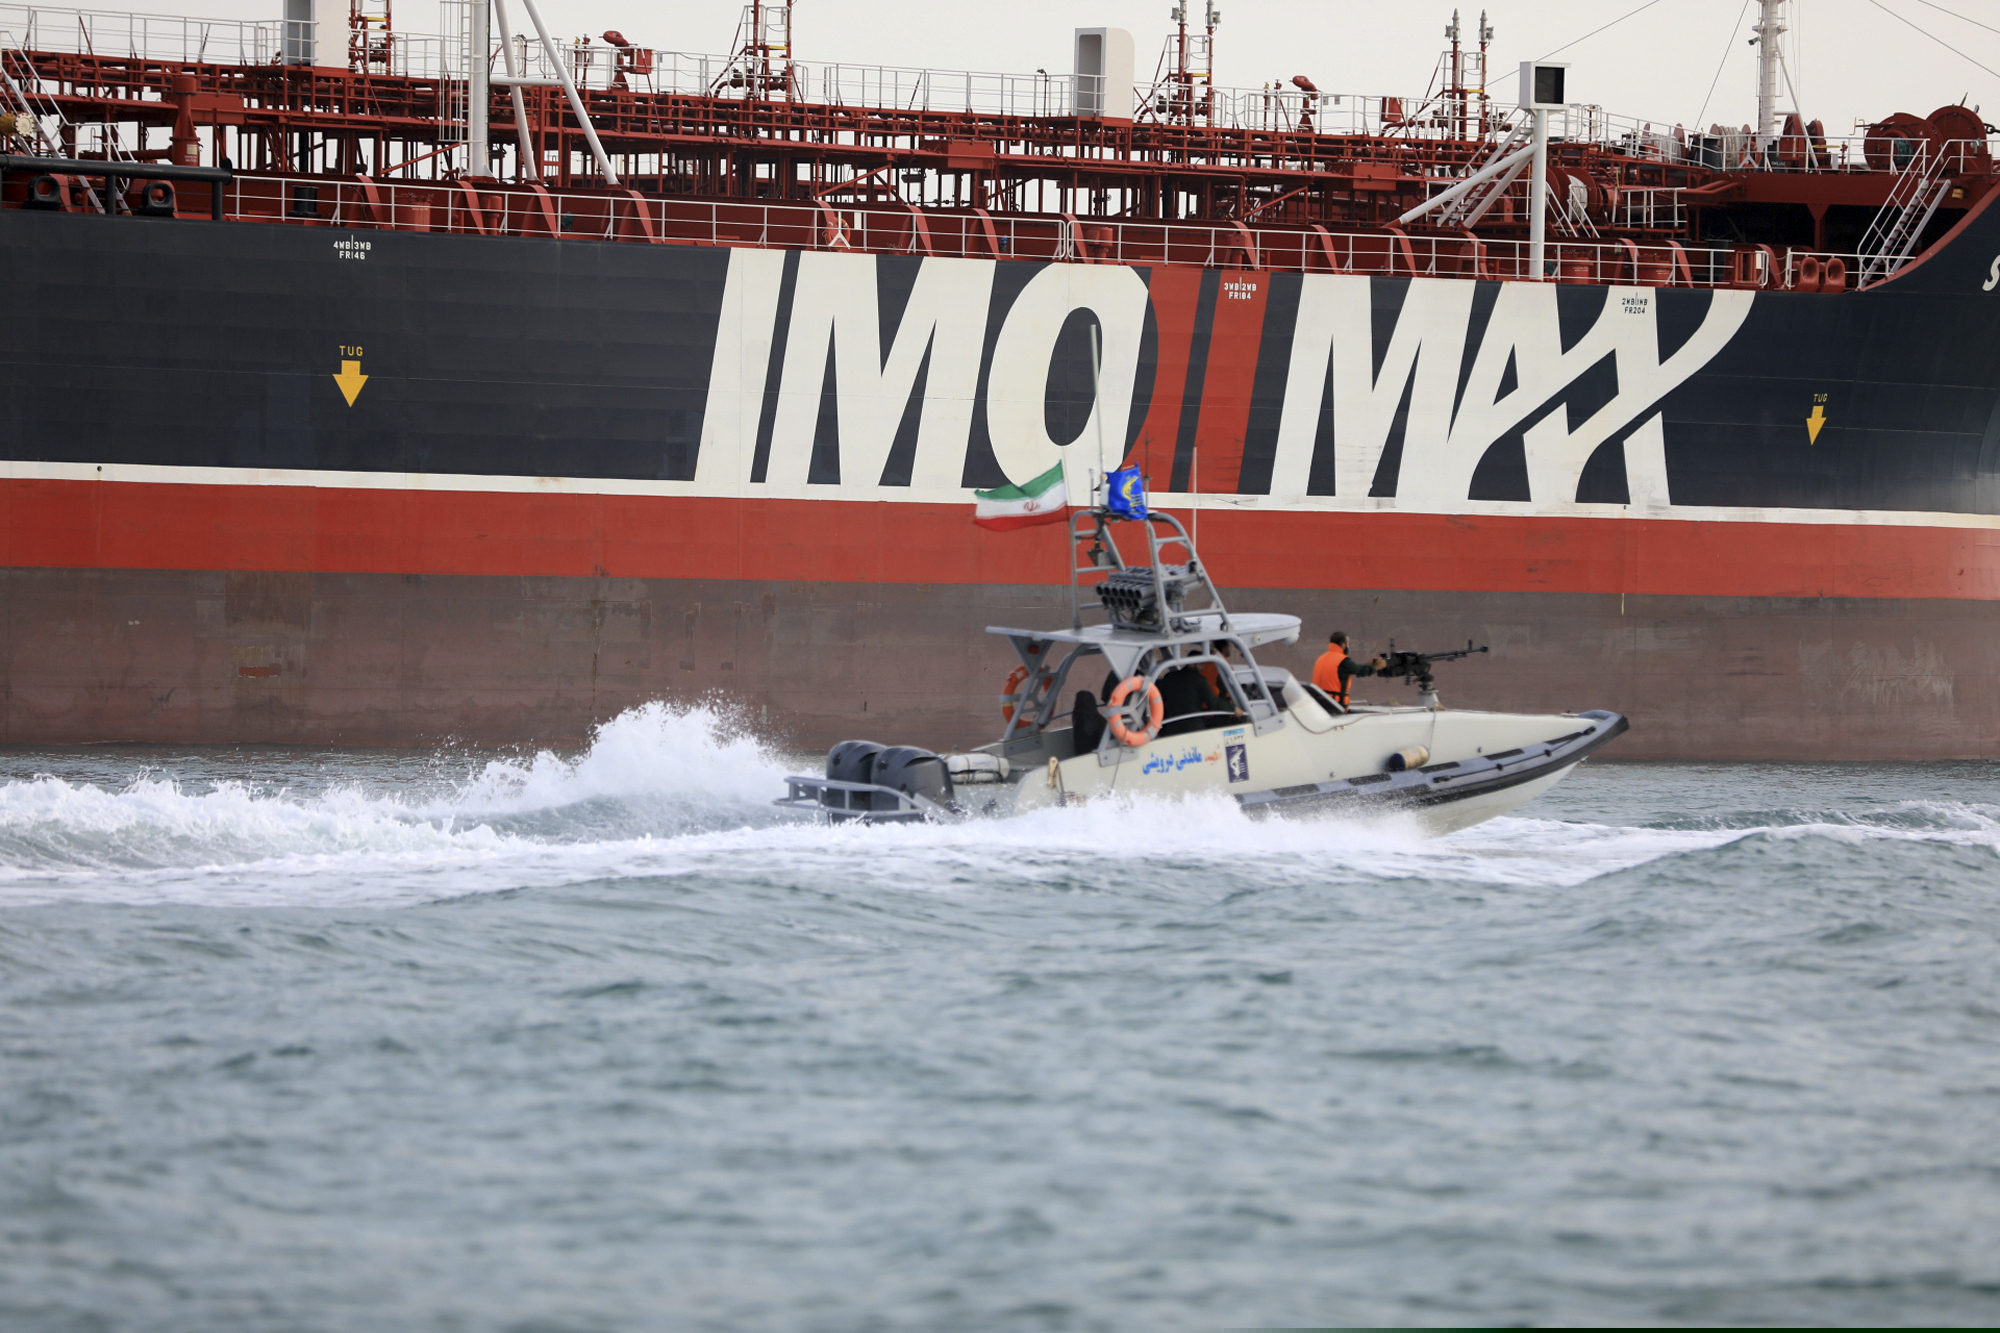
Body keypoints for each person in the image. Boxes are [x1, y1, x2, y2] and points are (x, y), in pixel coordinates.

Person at [1312, 631, 1386, 707]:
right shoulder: (1343, 661)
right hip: (1335, 705)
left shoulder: (1321, 659)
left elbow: (1354, 668)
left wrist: (1369, 665)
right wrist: (1377, 667)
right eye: (1348, 644)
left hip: (1319, 705)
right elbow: (1360, 671)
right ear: (1343, 645)